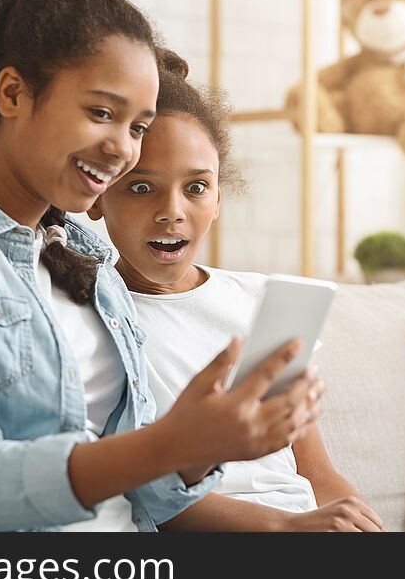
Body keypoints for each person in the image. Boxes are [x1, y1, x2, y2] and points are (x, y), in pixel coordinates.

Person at [0, 0, 323, 532]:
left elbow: (147, 497)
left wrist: (199, 448)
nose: (123, 150)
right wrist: (169, 442)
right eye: (101, 113)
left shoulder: (91, 260)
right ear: (13, 93)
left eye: (137, 126)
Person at [88, 50, 385, 531]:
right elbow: (150, 500)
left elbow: (316, 471)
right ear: (98, 197)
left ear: (219, 196)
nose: (172, 211)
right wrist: (288, 530)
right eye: (142, 188)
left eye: (197, 188)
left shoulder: (264, 300)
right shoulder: (96, 316)